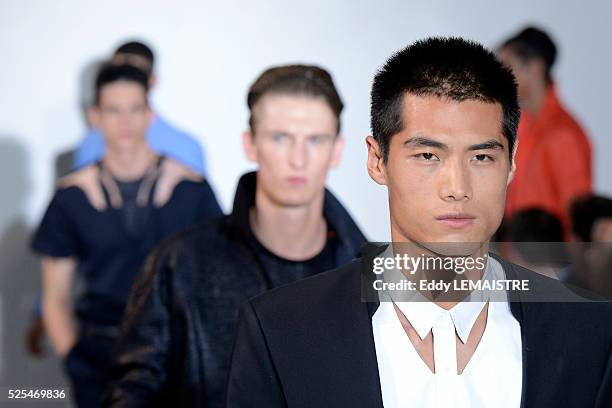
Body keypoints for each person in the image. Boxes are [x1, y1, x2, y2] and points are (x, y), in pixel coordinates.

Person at [226, 38, 612, 408]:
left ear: (511, 163)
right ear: (378, 161)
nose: (457, 188)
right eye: (428, 156)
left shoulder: (591, 332)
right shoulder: (282, 332)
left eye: (481, 158)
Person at [106, 65, 366, 407]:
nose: (298, 159)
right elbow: (131, 393)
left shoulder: (376, 274)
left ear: (336, 150)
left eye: (315, 140)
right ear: (250, 145)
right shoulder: (179, 264)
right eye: (280, 138)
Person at [30, 64, 222, 407]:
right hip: (100, 355)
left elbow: (218, 279)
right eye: (114, 111)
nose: (126, 122)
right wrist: (75, 360)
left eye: (135, 109)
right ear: (95, 117)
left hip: (176, 354)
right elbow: (54, 297)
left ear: (150, 114)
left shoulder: (189, 188)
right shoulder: (71, 198)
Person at [498, 27, 592, 237]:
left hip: (549, 264)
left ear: (535, 68)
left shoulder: (563, 134)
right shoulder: (523, 128)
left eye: (507, 66)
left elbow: (576, 219)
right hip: (519, 259)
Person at [74, 40, 207, 175]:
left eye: (135, 74)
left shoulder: (185, 148)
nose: (124, 82)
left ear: (152, 81)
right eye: (116, 73)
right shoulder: (88, 147)